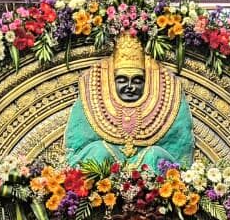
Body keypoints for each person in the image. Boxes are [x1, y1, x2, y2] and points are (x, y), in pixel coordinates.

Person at [64, 34, 194, 169]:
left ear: (147, 81)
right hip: (103, 179)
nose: (130, 86)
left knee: (155, 155)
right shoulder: (91, 99)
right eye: (122, 80)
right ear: (112, 80)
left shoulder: (170, 97)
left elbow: (180, 148)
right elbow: (75, 148)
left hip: (152, 178)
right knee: (99, 152)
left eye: (137, 81)